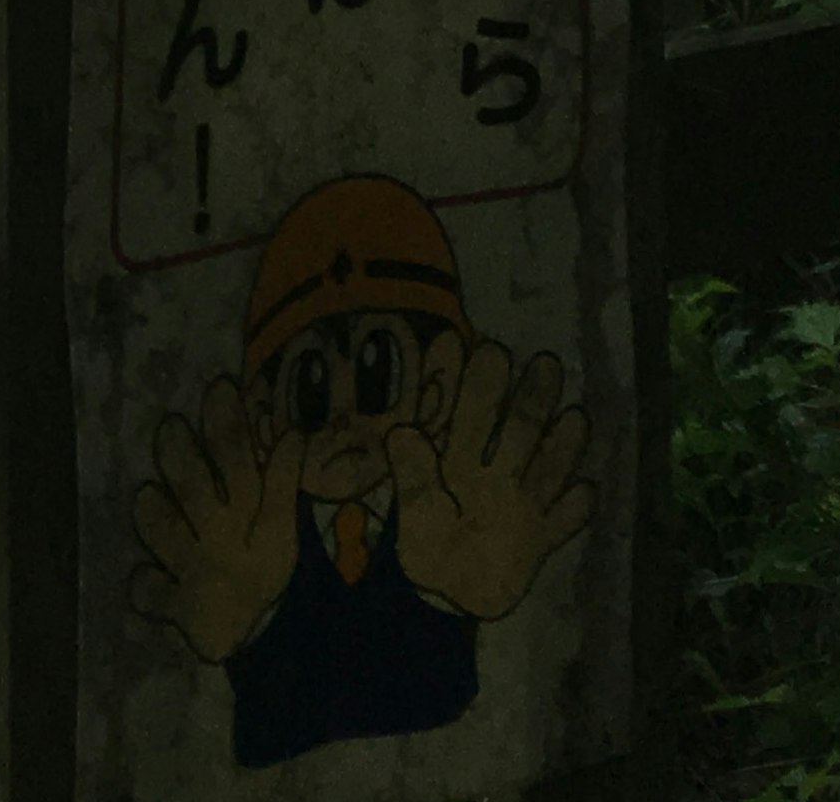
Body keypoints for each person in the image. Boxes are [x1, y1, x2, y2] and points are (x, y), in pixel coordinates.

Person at [133, 175, 595, 767]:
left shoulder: (453, 520)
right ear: (268, 414)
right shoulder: (255, 545)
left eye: (379, 373)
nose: (344, 416)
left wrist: (465, 601)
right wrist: (243, 627)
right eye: (313, 388)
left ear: (433, 388)